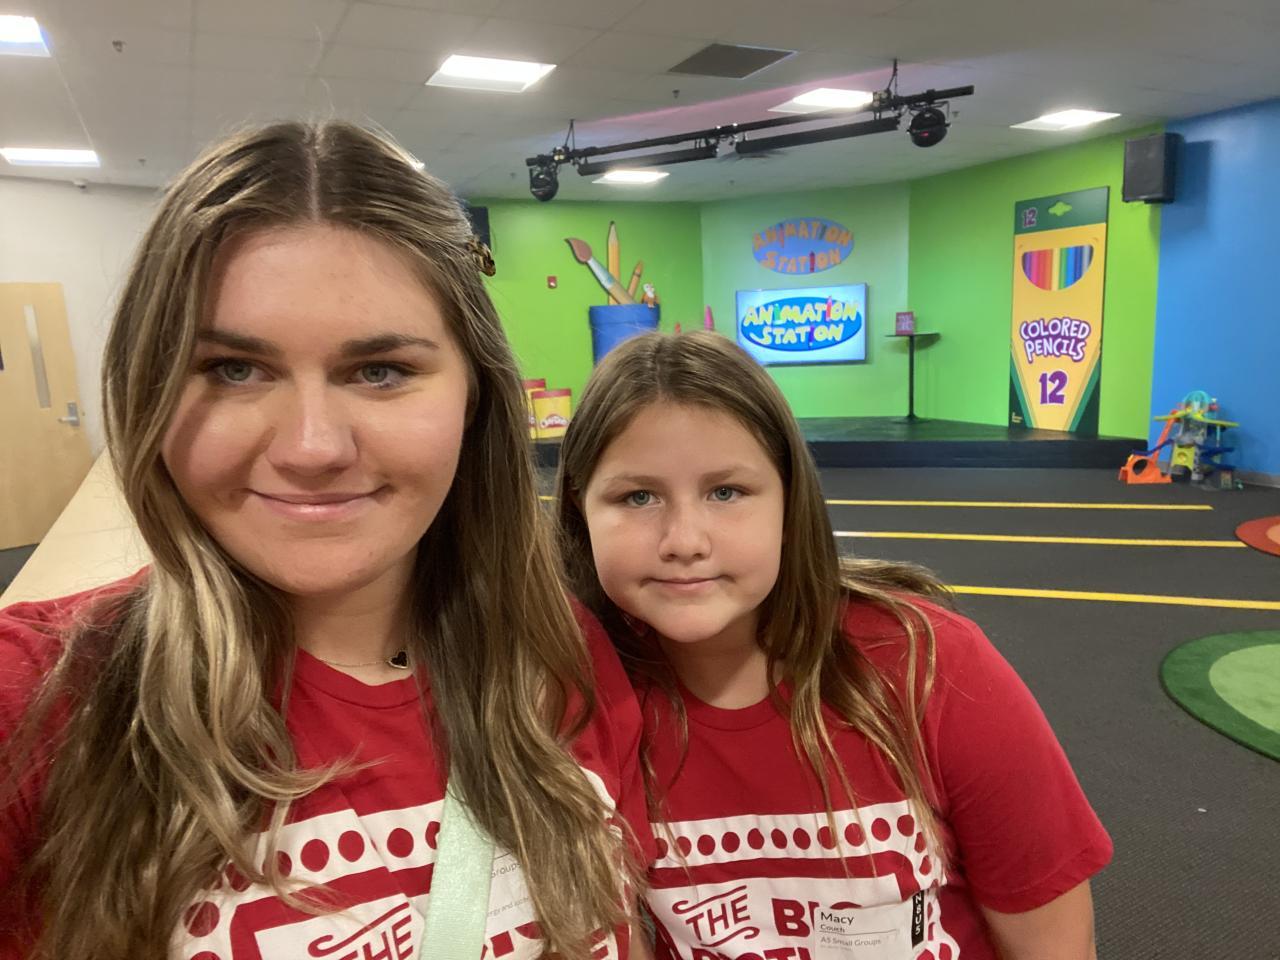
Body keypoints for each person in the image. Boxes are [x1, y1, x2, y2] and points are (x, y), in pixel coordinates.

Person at [0, 121, 647, 960]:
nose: (312, 448)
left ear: (475, 396)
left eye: (380, 371)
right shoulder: (41, 697)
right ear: (148, 391)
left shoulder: (563, 654)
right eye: (234, 369)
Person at [555, 331, 1113, 960]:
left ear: (789, 499)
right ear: (580, 507)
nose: (684, 540)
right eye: (638, 496)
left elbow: (1055, 943)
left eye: (725, 492)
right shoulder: (576, 699)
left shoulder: (928, 665)